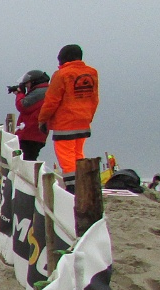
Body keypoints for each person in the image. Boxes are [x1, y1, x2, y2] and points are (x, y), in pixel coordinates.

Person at [38, 44, 99, 193]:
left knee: (66, 158)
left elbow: (52, 101)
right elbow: (94, 99)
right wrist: (88, 117)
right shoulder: (92, 73)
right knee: (78, 155)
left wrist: (43, 119)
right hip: (83, 122)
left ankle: (73, 188)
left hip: (65, 124)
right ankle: (83, 184)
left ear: (63, 59)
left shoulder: (61, 75)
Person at [12, 69, 51, 161]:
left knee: (26, 162)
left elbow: (22, 106)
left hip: (31, 133)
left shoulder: (40, 92)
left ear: (34, 81)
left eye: (27, 83)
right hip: (36, 134)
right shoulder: (44, 90)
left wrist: (20, 94)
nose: (26, 85)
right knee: (27, 160)